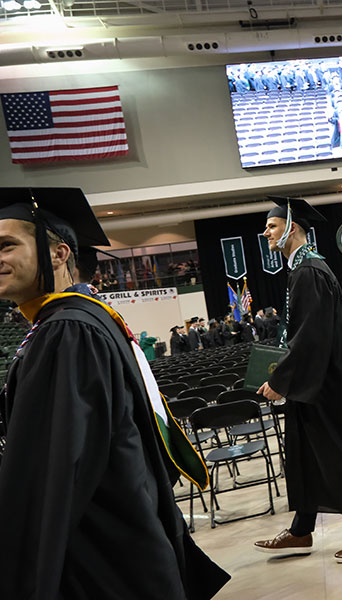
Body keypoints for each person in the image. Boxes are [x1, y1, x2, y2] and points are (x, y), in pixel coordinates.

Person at [0, 188, 229, 599]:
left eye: (7, 245)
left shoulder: (66, 331)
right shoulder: (83, 318)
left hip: (100, 552)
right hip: (125, 531)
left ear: (59, 254)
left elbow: (54, 468)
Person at [254, 196, 342, 562]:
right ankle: (302, 530)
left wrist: (280, 380)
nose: (265, 232)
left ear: (292, 226)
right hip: (313, 383)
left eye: (271, 226)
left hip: (324, 384)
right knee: (306, 455)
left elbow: (311, 337)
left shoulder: (310, 272)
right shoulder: (301, 269)